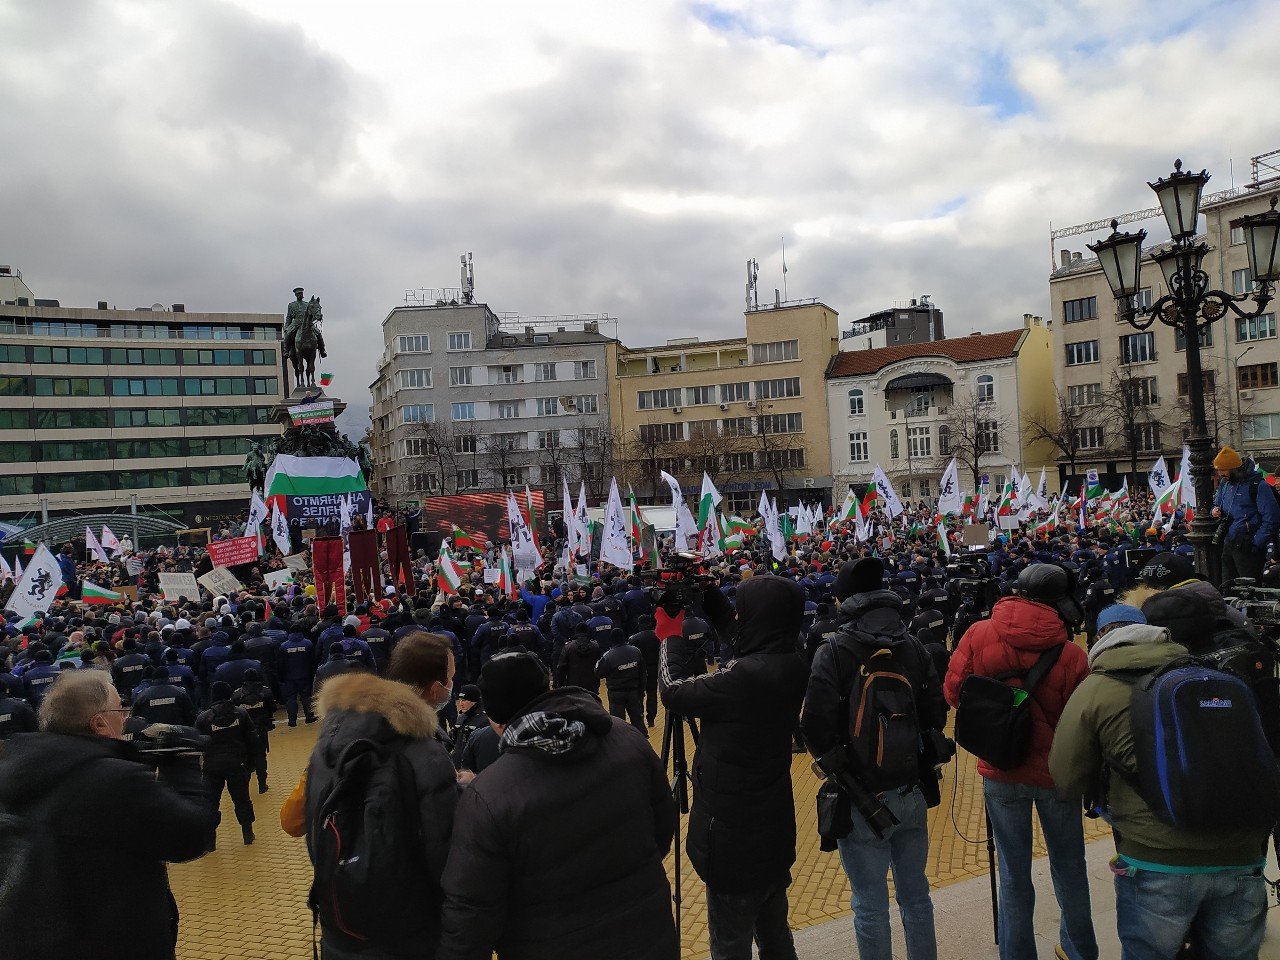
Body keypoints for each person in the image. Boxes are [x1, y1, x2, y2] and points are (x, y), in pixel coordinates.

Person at [1050, 601, 1272, 959]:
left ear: (1099, 638)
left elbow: (1066, 777)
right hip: (1242, 852)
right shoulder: (1214, 675)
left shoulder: (1097, 689)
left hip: (1156, 858)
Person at [439, 651, 678, 960]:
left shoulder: (489, 795)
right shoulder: (626, 737)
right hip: (649, 934)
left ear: (495, 719)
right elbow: (663, 827)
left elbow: (471, 914)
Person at [0, 670, 214, 960]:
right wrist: (183, 763)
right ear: (99, 723)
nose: (125, 716)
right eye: (120, 710)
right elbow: (190, 835)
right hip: (114, 939)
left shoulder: (13, 770)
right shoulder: (115, 779)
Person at [944, 563, 1098, 960]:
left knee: (1013, 875)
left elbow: (953, 693)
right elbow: (1082, 719)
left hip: (1002, 768)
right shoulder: (1071, 652)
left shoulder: (978, 634)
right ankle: (1080, 950)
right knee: (1070, 866)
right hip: (1057, 772)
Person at [802, 558, 945, 960]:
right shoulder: (913, 644)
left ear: (846, 600)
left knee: (869, 906)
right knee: (916, 896)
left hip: (861, 796)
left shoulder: (834, 651)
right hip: (911, 789)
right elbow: (937, 714)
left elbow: (814, 727)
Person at [660, 575, 809, 960]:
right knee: (776, 935)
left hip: (732, 842)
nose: (738, 615)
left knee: (730, 945)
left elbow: (673, 692)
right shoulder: (792, 658)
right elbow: (746, 635)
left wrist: (670, 635)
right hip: (773, 832)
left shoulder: (742, 678)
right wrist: (708, 596)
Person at [306, 630, 458, 960]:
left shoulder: (326, 744)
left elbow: (315, 834)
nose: (451, 686)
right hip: (406, 937)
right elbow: (443, 858)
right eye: (450, 678)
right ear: (435, 689)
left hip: (340, 926)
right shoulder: (426, 754)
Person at [196, 681, 260, 847]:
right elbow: (253, 740)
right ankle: (247, 833)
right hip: (237, 764)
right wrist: (251, 764)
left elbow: (197, 743)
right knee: (242, 800)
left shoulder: (203, 718)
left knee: (210, 803)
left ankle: (210, 841)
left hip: (211, 768)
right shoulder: (241, 714)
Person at [1212, 445, 1279, 582]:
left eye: (1223, 470)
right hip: (1229, 542)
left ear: (1234, 468)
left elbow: (1272, 518)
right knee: (1228, 586)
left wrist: (1255, 543)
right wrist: (1215, 510)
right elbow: (1216, 504)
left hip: (1248, 545)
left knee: (1250, 589)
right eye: (1218, 470)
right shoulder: (1225, 484)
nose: (1220, 474)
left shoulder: (1259, 486)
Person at [595, 630, 647, 731]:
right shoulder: (635, 651)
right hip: (633, 692)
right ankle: (642, 740)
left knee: (618, 723)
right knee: (638, 720)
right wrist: (641, 690)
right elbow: (643, 673)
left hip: (616, 693)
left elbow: (599, 673)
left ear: (612, 640)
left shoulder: (608, 656)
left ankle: (621, 743)